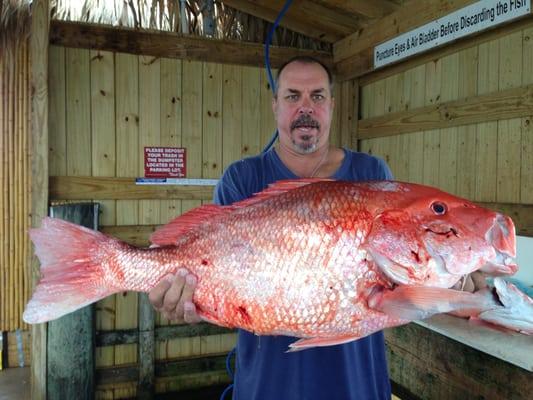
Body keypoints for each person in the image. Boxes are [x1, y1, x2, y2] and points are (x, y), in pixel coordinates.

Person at [149, 56, 394, 399]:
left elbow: (402, 269)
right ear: (275, 105)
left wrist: (455, 278)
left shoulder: (373, 173)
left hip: (355, 384)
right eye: (293, 96)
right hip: (266, 387)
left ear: (332, 106)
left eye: (317, 96)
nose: (305, 108)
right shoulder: (242, 178)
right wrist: (183, 296)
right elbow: (217, 279)